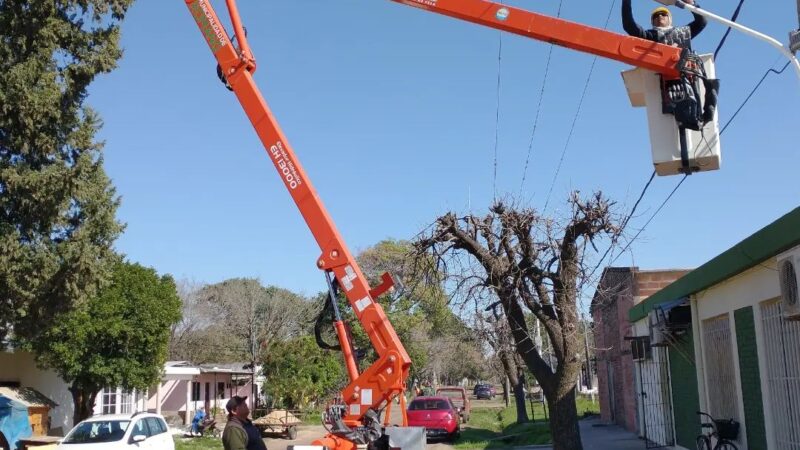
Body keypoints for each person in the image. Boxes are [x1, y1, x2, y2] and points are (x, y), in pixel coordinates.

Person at [622, 0, 706, 50]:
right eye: (656, 15)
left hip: (685, 75)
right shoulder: (650, 36)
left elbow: (701, 22)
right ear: (652, 22)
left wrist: (691, 3)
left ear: (669, 19)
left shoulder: (682, 33)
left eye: (663, 14)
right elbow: (629, 25)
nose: (659, 16)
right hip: (661, 77)